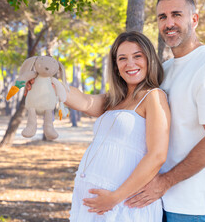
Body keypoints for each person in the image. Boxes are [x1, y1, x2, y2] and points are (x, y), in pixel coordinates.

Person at [124, 0, 205, 222]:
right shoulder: (164, 69)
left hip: (189, 205)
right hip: (154, 199)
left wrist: (164, 183)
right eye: (162, 17)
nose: (169, 23)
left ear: (194, 19)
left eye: (177, 15)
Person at [64, 31, 170, 221]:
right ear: (116, 67)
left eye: (137, 56)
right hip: (94, 203)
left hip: (124, 205)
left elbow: (157, 155)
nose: (130, 64)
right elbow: (83, 101)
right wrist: (48, 84)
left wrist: (115, 198)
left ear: (149, 59)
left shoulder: (153, 96)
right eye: (122, 58)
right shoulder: (113, 100)